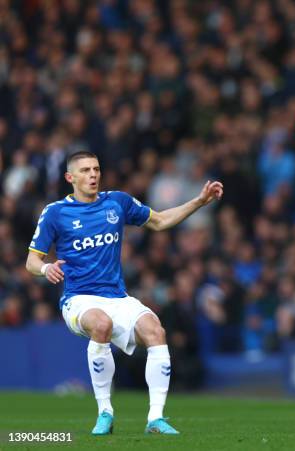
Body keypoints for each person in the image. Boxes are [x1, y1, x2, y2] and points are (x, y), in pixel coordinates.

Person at [25, 151, 223, 434]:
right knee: (101, 325)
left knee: (156, 331)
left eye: (96, 169)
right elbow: (31, 260)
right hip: (79, 299)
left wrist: (200, 201)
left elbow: (161, 221)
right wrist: (46, 270)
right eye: (85, 170)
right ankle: (105, 412)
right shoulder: (56, 212)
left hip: (117, 297)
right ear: (70, 177)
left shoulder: (117, 202)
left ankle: (156, 419)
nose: (93, 175)